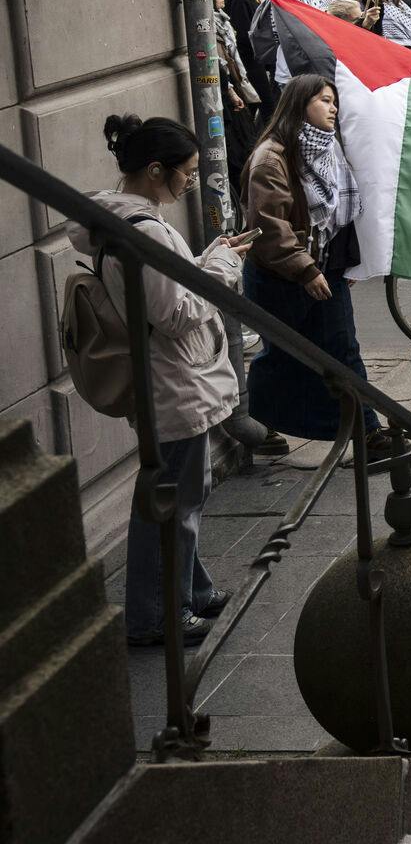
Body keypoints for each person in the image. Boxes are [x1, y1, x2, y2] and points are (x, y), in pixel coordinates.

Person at [82, 115, 249, 646]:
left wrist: (209, 258)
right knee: (173, 501)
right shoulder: (143, 229)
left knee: (178, 495)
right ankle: (158, 613)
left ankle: (189, 592)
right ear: (156, 170)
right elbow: (177, 313)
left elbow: (165, 294)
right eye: (188, 172)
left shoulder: (129, 221)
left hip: (171, 375)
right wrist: (220, 267)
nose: (192, 182)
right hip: (173, 379)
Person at [241, 75, 386, 449]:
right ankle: (259, 423)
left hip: (324, 269)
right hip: (280, 275)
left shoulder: (330, 148)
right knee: (282, 356)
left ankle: (367, 432)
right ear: (299, 104)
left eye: (334, 100)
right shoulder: (271, 158)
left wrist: (345, 262)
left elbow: (341, 213)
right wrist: (304, 269)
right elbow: (269, 226)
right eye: (324, 100)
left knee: (343, 350)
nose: (333, 107)